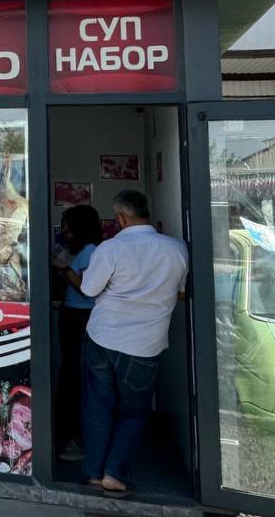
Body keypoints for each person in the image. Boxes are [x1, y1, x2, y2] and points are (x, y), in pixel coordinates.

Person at [79, 189, 188, 495]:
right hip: (145, 343)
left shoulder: (111, 248)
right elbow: (181, 292)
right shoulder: (176, 249)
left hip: (104, 337)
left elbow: (89, 289)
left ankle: (94, 471)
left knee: (98, 405)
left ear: (121, 218)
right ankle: (113, 472)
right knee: (135, 410)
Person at [50, 204, 102, 462]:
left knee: (74, 372)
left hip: (81, 316)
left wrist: (63, 267)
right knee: (70, 370)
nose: (66, 235)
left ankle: (75, 435)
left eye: (69, 231)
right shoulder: (81, 251)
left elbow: (86, 288)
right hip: (72, 314)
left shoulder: (91, 251)